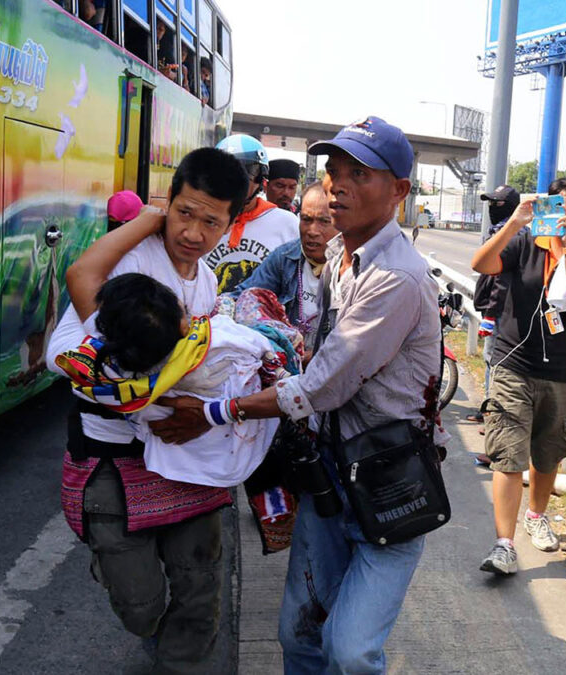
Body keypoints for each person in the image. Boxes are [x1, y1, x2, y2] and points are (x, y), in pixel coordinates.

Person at [150, 116, 444, 672]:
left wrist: (217, 410)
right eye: (334, 173)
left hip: (390, 480)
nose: (339, 186)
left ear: (400, 191)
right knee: (299, 635)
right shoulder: (338, 258)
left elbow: (320, 386)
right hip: (329, 473)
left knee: (351, 651)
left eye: (360, 174)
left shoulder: (396, 279)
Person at [45, 146, 248, 673]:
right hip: (112, 456)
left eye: (211, 221)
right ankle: (124, 585)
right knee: (141, 608)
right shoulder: (133, 264)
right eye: (184, 213)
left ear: (229, 226)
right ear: (168, 204)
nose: (193, 233)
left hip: (185, 456)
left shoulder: (205, 281)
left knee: (200, 585)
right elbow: (84, 330)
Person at [470, 173, 566, 575]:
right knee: (507, 455)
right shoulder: (525, 241)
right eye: (559, 204)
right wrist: (515, 222)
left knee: (548, 454)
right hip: (513, 363)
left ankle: (536, 514)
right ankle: (503, 544)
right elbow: (481, 264)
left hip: (563, 372)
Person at [53, 273, 281, 488]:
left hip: (175, 464)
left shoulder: (112, 379)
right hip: (232, 459)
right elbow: (263, 348)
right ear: (183, 327)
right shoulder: (219, 340)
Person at [237, 182, 338, 342]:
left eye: (324, 222)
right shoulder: (285, 257)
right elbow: (244, 296)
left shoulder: (355, 268)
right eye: (306, 219)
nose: (312, 231)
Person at [206, 134, 299, 293]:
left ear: (261, 179)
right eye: (225, 173)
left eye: (246, 173)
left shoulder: (288, 223)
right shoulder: (201, 218)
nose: (234, 182)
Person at [468, 186, 521, 432]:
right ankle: (489, 414)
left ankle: (492, 418)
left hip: (501, 311)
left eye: (498, 204)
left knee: (495, 363)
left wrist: (490, 314)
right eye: (490, 203)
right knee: (492, 362)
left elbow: (502, 278)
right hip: (496, 308)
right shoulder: (498, 232)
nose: (492, 208)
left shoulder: (510, 236)